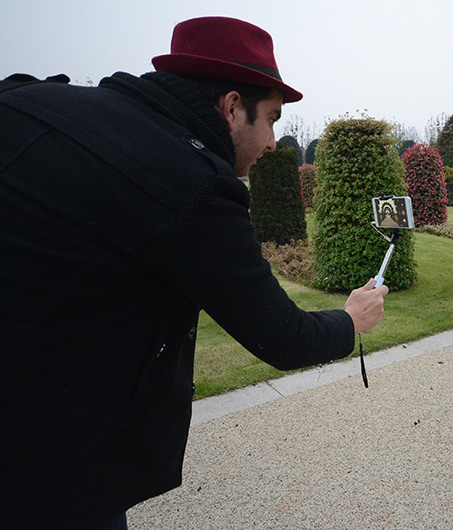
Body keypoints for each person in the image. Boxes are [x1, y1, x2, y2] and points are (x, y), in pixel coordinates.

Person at [0, 16, 389, 529]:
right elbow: (281, 335)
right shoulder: (189, 180)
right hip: (49, 463)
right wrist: (351, 320)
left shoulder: (35, 100)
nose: (274, 142)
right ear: (231, 108)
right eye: (271, 118)